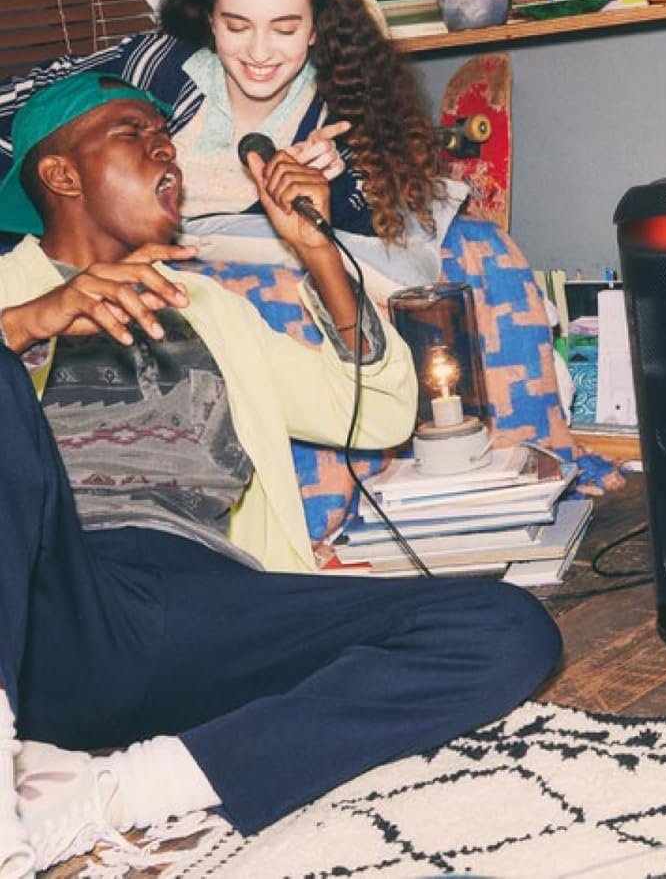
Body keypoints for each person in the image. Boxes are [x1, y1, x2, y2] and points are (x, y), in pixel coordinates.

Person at [0, 73, 561, 875]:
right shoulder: (9, 295)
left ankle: (122, 789)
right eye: (133, 133)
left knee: (504, 628)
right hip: (50, 599)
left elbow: (376, 414)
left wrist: (318, 253)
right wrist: (26, 325)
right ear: (60, 174)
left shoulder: (205, 304)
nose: (166, 149)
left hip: (206, 603)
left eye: (166, 133)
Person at [0, 0, 447, 248]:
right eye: (237, 26)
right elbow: (18, 108)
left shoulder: (347, 119)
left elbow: (371, 258)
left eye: (284, 29)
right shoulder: (154, 66)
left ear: (316, 28)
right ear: (211, 21)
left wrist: (333, 189)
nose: (259, 51)